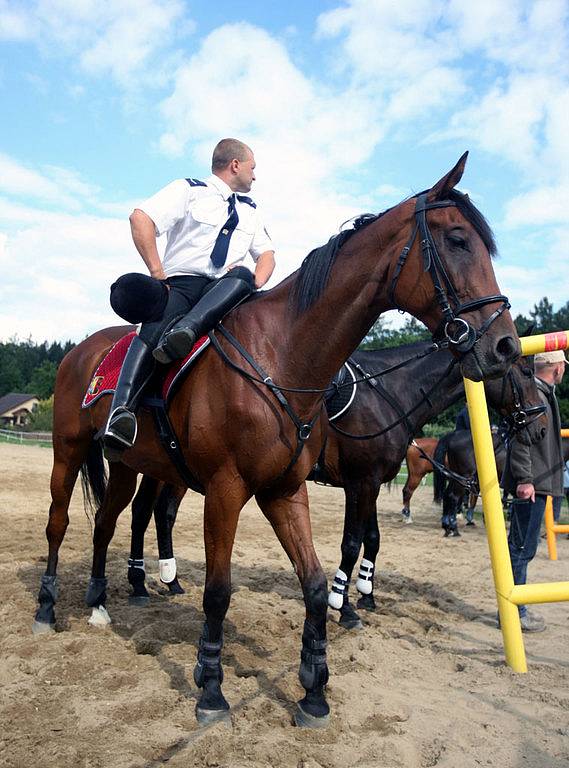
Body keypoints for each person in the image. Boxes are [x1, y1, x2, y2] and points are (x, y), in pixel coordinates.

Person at [102, 138, 275, 460]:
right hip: (181, 283)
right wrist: (157, 273)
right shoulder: (188, 190)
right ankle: (121, 413)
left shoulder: (251, 211)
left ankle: (186, 333)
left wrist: (257, 280)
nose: (255, 175)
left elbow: (266, 254)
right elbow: (140, 218)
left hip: (226, 291)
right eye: (253, 168)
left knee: (243, 276)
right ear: (235, 164)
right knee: (152, 329)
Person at [501, 349, 567, 632]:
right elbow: (521, 441)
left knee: (522, 547)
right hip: (532, 484)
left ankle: (514, 610)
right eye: (563, 365)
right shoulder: (536, 397)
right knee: (520, 548)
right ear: (556, 368)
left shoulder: (542, 394)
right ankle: (515, 612)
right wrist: (525, 479)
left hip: (537, 482)